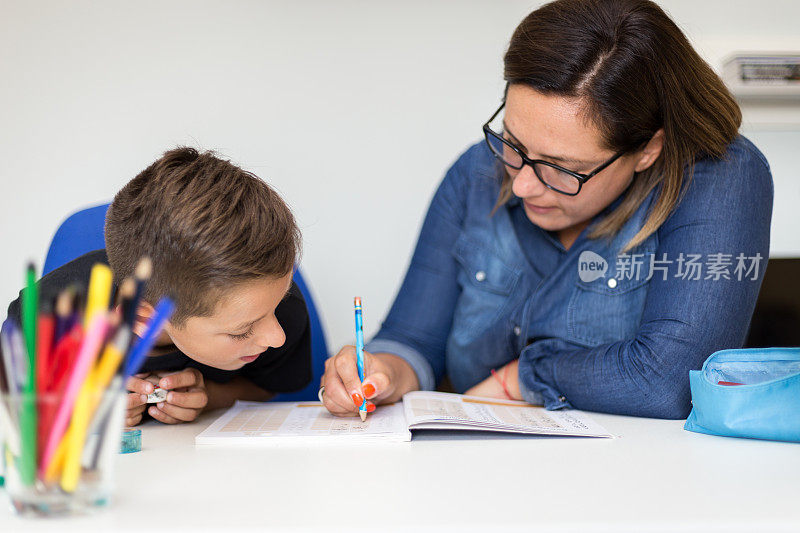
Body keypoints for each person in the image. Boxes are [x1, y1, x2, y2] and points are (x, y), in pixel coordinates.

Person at [320, 0, 773, 419]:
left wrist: (522, 376)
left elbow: (670, 383)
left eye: (562, 169)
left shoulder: (721, 176)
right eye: (514, 144)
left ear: (648, 149)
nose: (520, 184)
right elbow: (414, 339)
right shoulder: (476, 174)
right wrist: (380, 372)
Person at [7, 147, 311, 426]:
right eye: (241, 331)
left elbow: (268, 386)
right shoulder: (45, 320)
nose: (277, 337)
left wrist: (213, 398)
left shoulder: (279, 307)